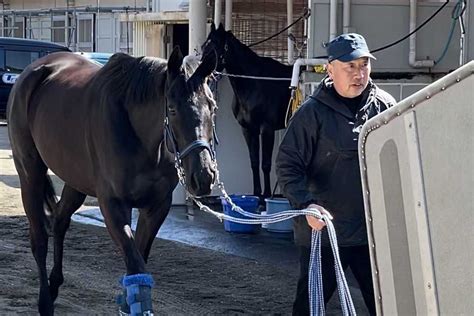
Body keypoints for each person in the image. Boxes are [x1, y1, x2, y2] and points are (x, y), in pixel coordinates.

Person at [276, 33, 396, 316]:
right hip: (325, 234)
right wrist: (305, 204)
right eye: (350, 66)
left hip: (373, 235)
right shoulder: (311, 115)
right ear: (330, 69)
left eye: (364, 64)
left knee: (388, 306)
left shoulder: (386, 107)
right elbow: (287, 165)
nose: (359, 73)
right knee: (309, 307)